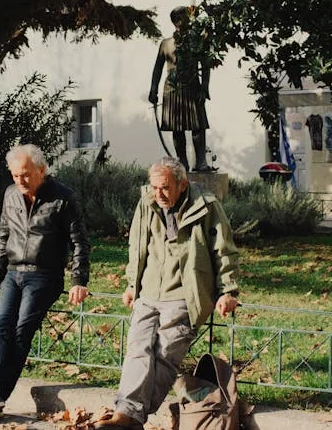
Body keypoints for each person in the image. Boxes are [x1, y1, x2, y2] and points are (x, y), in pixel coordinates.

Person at [95, 156, 239, 430]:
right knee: (138, 349)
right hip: (149, 291)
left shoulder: (206, 206)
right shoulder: (147, 203)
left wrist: (227, 290)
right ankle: (128, 415)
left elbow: (224, 251)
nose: (158, 194)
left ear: (182, 185)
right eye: (154, 187)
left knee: (164, 355)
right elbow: (137, 247)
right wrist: (131, 285)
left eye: (165, 188)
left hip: (184, 294)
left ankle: (130, 416)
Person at [0, 143, 91, 423]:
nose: (19, 180)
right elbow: (3, 237)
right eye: (15, 175)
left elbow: (79, 242)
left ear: (42, 170)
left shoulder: (63, 198)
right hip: (13, 273)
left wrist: (79, 280)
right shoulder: (10, 194)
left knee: (21, 330)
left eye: (25, 175)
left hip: (45, 275)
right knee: (0, 327)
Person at [149, 6, 214, 172]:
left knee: (198, 127)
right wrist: (153, 89)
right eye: (184, 17)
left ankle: (200, 162)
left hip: (193, 87)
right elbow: (157, 68)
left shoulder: (196, 41)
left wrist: (204, 88)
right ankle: (182, 161)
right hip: (172, 91)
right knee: (177, 128)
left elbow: (206, 65)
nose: (187, 19)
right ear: (176, 21)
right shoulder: (166, 44)